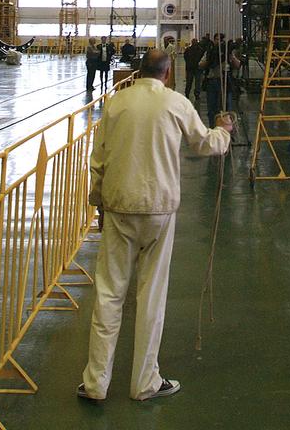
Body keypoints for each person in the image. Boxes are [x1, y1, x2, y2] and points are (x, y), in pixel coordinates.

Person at [78, 48, 232, 404]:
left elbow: (98, 159)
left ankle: (95, 384)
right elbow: (204, 143)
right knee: (151, 296)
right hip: (159, 211)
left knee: (108, 294)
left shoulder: (117, 103)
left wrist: (97, 202)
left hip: (119, 207)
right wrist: (223, 131)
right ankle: (145, 382)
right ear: (167, 74)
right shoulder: (176, 103)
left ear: (138, 71)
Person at [200, 35, 240, 127]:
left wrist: (230, 56)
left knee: (227, 108)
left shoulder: (227, 53)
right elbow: (201, 64)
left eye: (221, 40)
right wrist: (209, 60)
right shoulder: (210, 52)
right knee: (212, 109)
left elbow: (237, 65)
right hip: (212, 81)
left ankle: (227, 129)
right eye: (217, 40)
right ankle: (213, 127)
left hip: (226, 81)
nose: (219, 42)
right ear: (214, 41)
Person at [183, 37, 202, 102]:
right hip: (194, 68)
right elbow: (185, 57)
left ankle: (190, 94)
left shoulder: (189, 49)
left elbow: (185, 57)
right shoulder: (199, 50)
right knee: (193, 82)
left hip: (193, 68)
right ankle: (191, 94)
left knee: (193, 82)